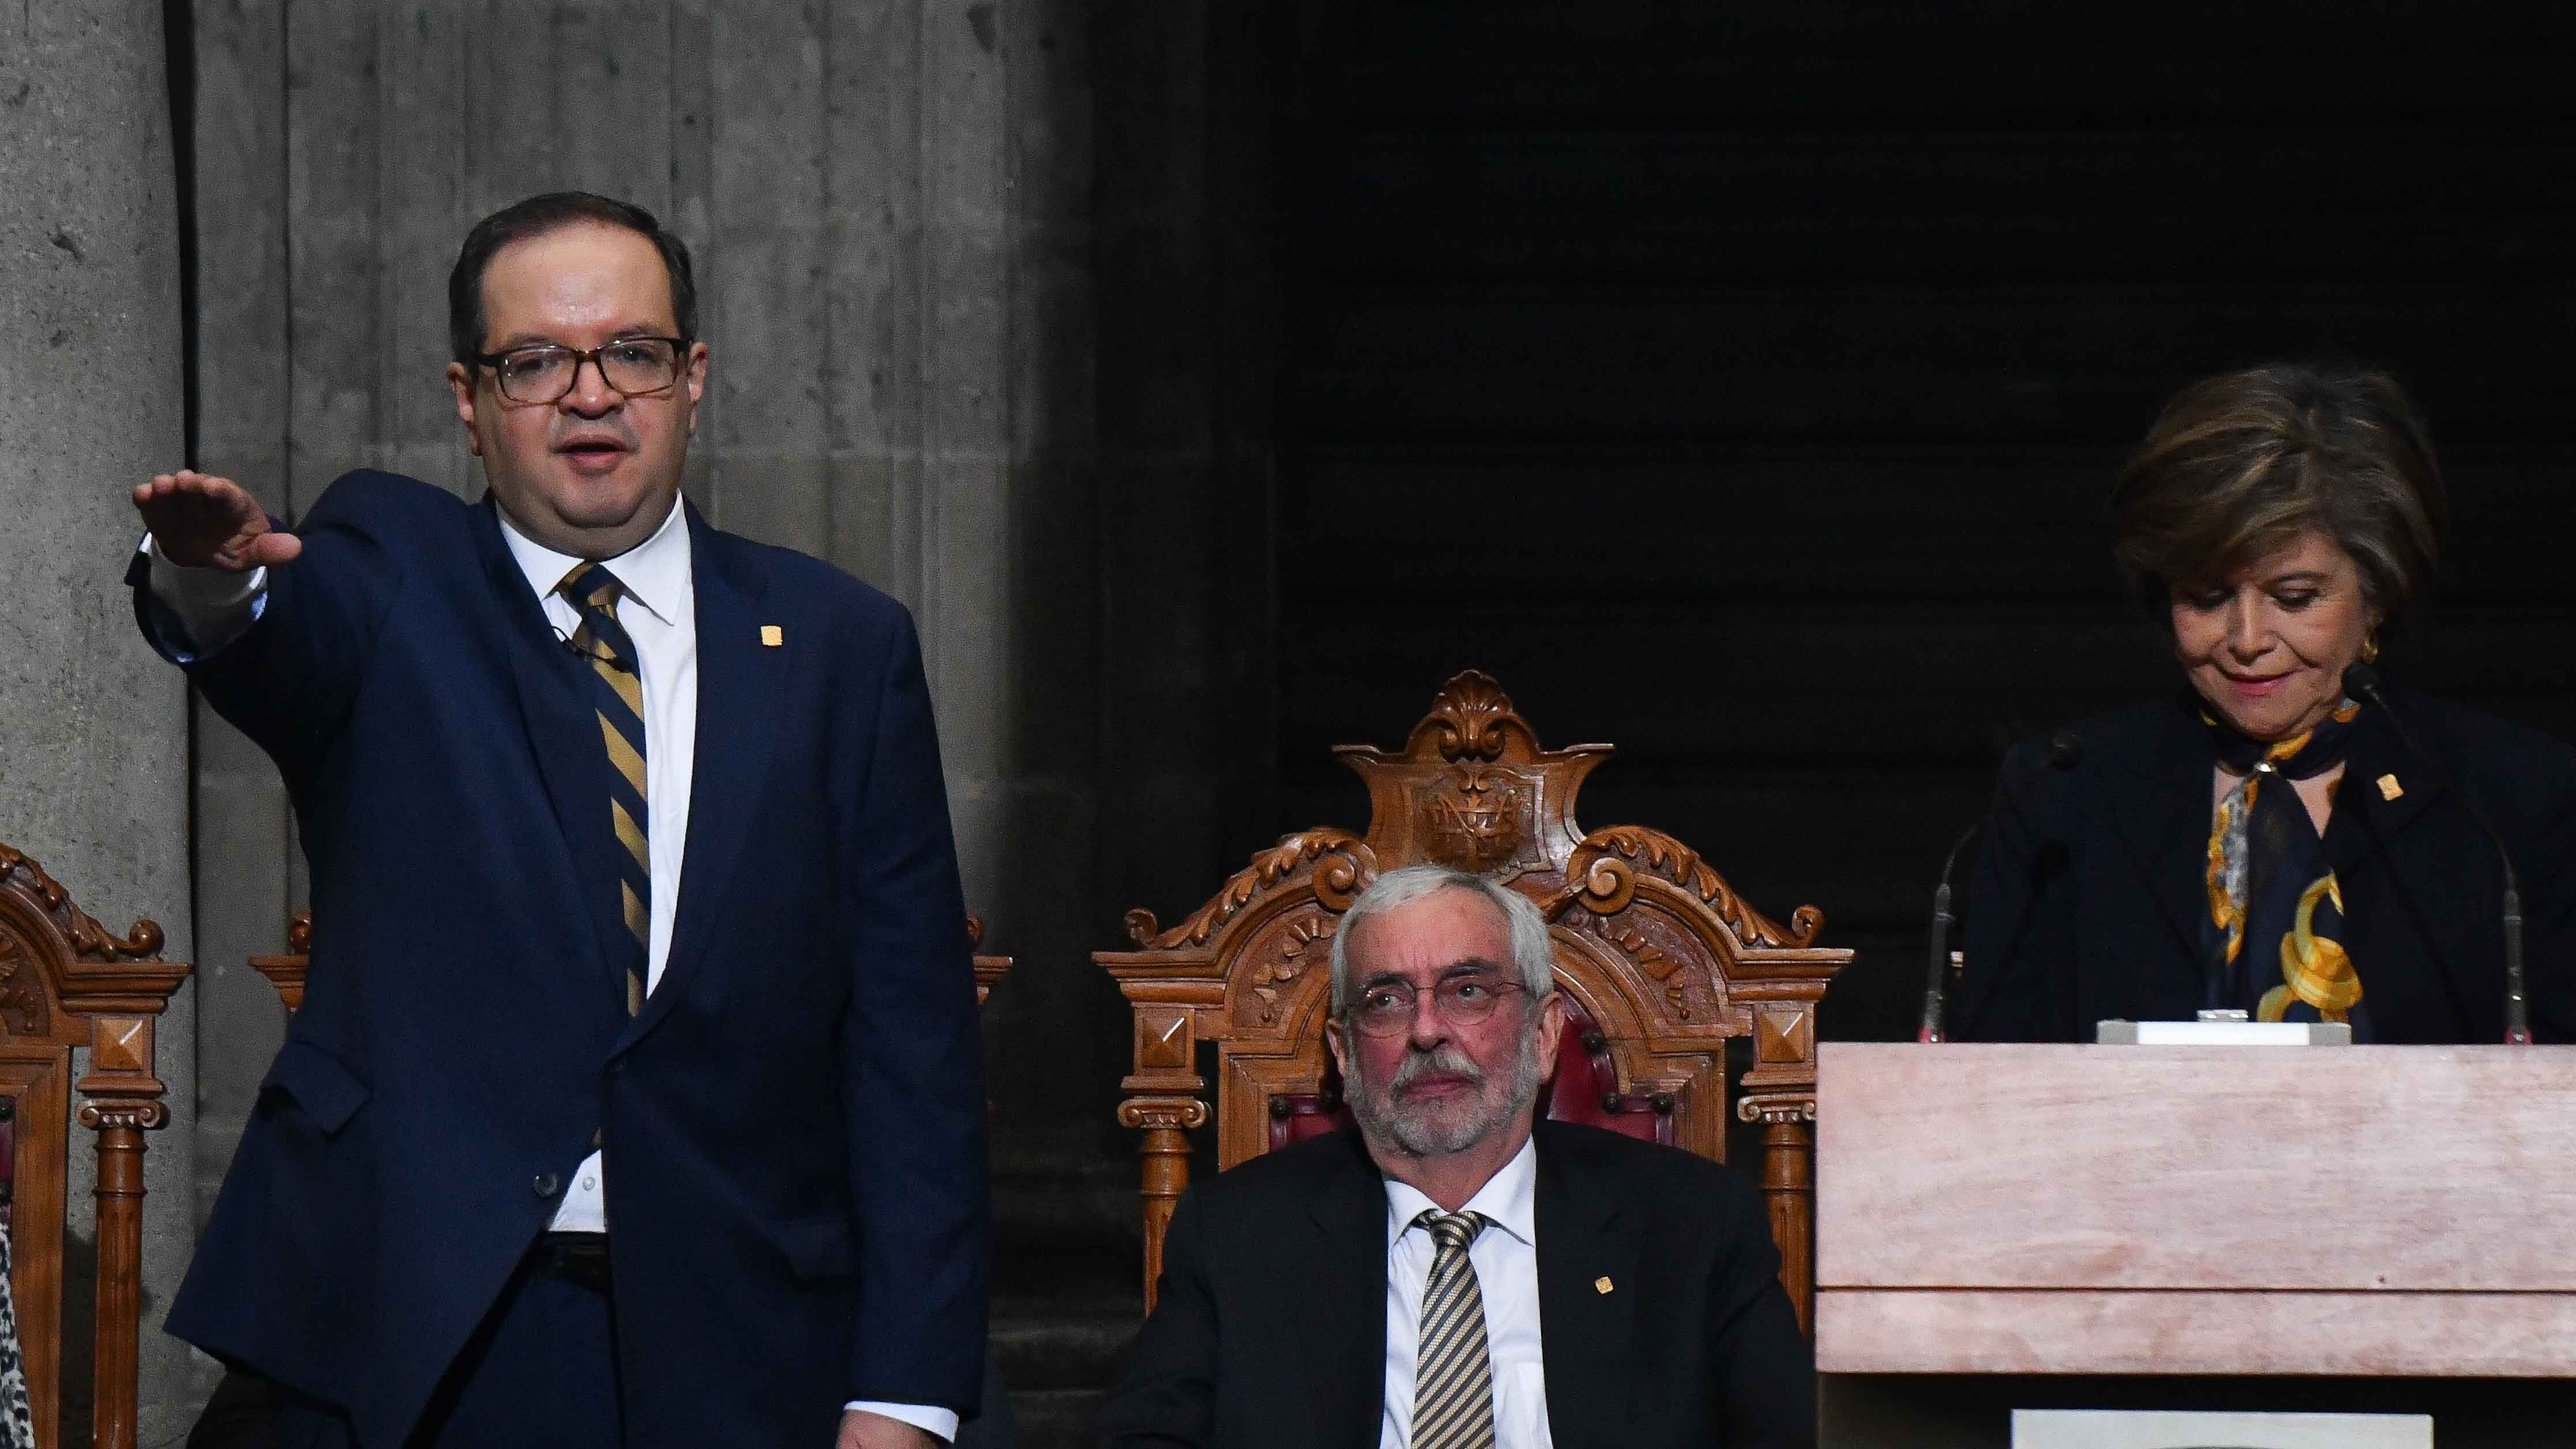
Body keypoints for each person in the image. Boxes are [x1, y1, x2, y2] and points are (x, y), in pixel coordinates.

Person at [127, 192, 987, 1447]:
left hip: (747, 1335)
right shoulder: (392, 573)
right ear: (469, 401)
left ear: (693, 378)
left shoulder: (842, 646)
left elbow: (913, 1048)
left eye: (632, 352)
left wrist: (905, 1390)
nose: (591, 394)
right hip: (422, 1333)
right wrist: (213, 580)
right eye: (535, 361)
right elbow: (275, 637)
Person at [1954, 362, 2576, 1043]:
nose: (2246, 640)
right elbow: (1987, 1070)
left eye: (2294, 598)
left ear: (2376, 592)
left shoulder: (2512, 799)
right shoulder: (2061, 793)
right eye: (2206, 598)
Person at [1094, 864, 1815, 1449]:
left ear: (1541, 1036)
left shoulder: (1694, 1224)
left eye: (1466, 990)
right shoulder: (1236, 1234)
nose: (1426, 1030)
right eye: (1385, 1000)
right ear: (1344, 1053)